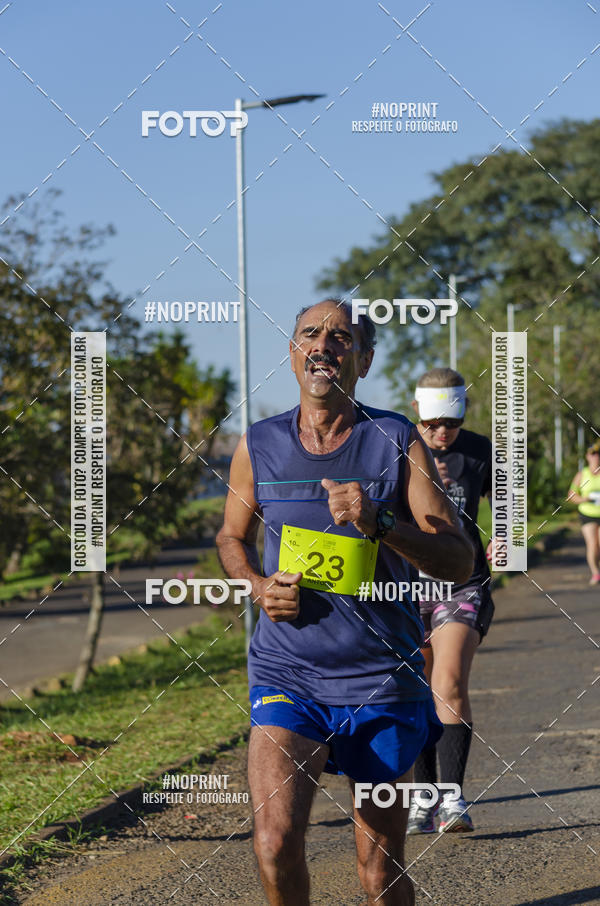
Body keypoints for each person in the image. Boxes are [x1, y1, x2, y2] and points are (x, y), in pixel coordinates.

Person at [216, 300, 474, 906]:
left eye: (341, 337)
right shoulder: (259, 443)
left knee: (378, 872)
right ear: (293, 352)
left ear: (363, 359)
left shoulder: (395, 440)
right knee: (275, 843)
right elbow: (231, 536)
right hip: (290, 674)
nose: (323, 346)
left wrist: (381, 520)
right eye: (310, 334)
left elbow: (459, 559)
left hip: (383, 682)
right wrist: (258, 586)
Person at [407, 368, 494, 835]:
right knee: (416, 690)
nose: (442, 432)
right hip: (403, 588)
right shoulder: (395, 445)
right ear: (417, 411)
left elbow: (509, 503)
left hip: (462, 583)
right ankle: (423, 796)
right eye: (433, 423)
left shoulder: (478, 450)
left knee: (448, 680)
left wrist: (506, 538)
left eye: (452, 423)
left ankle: (453, 800)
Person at [567, 439, 600, 584]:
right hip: (587, 514)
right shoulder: (582, 474)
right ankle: (595, 572)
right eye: (592, 454)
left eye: (597, 454)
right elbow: (571, 495)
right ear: (587, 456)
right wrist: (584, 499)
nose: (595, 457)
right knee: (592, 544)